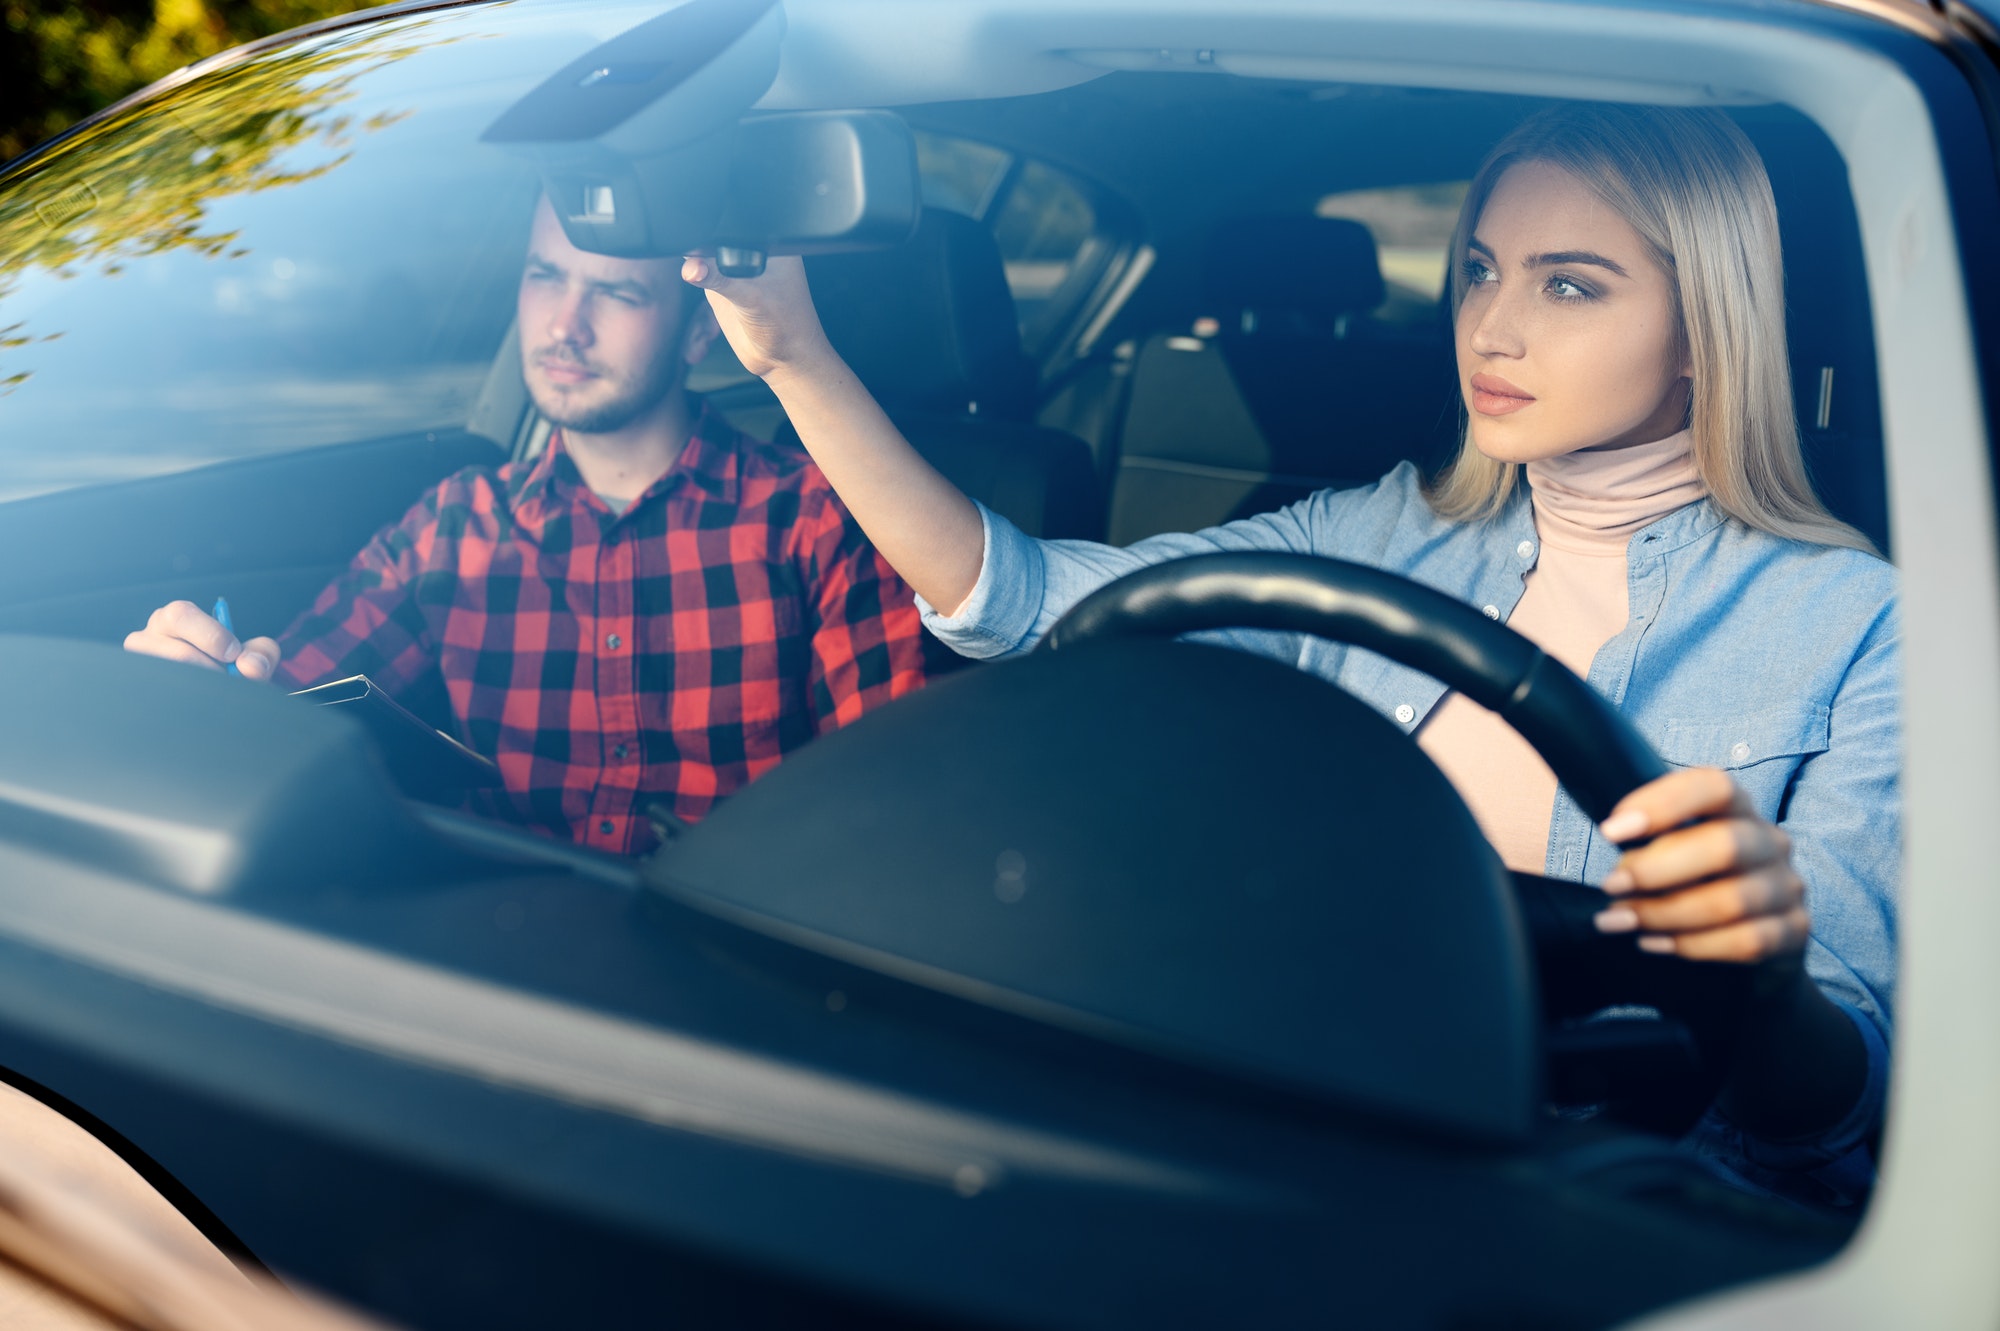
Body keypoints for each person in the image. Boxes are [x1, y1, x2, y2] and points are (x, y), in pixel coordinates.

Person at [685, 104, 1898, 1200]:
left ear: (1703, 330)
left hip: (1632, 1213)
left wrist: (1763, 978)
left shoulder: (1861, 623)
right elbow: (1022, 599)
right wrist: (795, 357)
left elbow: (1830, 1119)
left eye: (1568, 286)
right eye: (1477, 272)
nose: (1490, 326)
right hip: (1300, 1142)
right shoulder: (1380, 528)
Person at [124, 195, 928, 854]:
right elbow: (286, 707)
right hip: (489, 972)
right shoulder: (454, 525)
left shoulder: (813, 522)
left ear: (697, 330)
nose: (565, 325)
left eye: (616, 292)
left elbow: (888, 814)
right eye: (547, 276)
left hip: (729, 983)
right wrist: (207, 687)